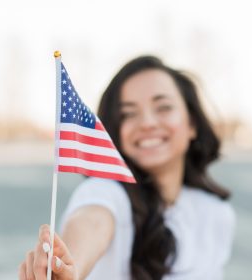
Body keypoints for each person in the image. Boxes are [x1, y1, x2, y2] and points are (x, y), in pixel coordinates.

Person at [18, 55, 235, 280]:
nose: (147, 123)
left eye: (163, 107)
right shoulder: (106, 192)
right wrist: (68, 267)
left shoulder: (217, 214)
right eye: (128, 113)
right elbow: (92, 221)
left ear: (192, 123)